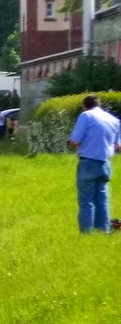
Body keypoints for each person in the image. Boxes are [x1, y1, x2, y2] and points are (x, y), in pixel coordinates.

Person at [67, 94, 121, 234]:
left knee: (86, 200)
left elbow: (75, 141)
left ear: (84, 105)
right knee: (102, 199)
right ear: (99, 104)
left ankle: (87, 233)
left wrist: (73, 143)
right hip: (105, 163)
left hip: (88, 162)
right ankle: (104, 229)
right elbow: (118, 146)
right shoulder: (113, 120)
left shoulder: (86, 116)